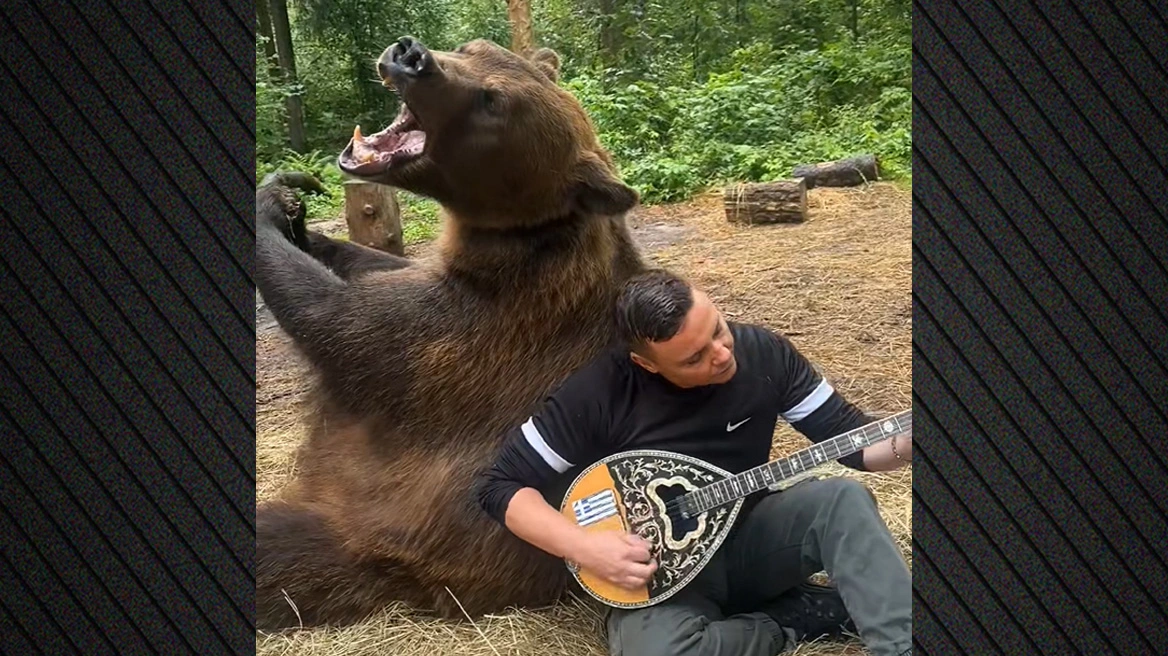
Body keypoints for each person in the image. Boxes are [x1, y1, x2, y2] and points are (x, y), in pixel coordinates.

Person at [474, 268, 912, 656]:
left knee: (840, 498)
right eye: (694, 358)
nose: (721, 354)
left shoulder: (764, 354)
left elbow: (851, 442)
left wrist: (908, 443)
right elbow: (500, 486)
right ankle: (788, 620)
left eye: (718, 331)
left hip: (752, 540)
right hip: (662, 576)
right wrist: (584, 547)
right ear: (646, 363)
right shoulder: (597, 396)